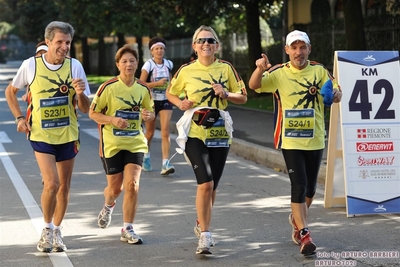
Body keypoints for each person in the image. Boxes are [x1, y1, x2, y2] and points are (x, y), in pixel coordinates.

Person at [248, 30, 342, 256]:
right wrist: (260, 69)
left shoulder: (319, 70)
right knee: (298, 186)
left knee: (310, 189)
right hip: (290, 139)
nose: (298, 52)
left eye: (303, 48)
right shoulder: (279, 72)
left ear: (309, 49)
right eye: (294, 48)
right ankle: (305, 234)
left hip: (315, 138)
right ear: (287, 50)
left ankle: (296, 219)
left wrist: (335, 95)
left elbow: (337, 92)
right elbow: (254, 86)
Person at [5, 21, 91, 253]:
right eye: (60, 42)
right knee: (51, 183)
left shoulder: (75, 67)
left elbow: (85, 108)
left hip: (68, 134)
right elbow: (10, 91)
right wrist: (19, 119)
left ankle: (57, 231)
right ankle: (46, 229)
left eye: (68, 43)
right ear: (48, 42)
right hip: (41, 134)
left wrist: (81, 93)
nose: (64, 46)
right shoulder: (31, 65)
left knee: (64, 187)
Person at [166, 25, 247, 254]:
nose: (206, 44)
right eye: (201, 40)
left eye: (210, 40)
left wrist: (226, 94)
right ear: (194, 46)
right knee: (206, 182)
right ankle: (205, 234)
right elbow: (171, 93)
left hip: (220, 133)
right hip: (194, 132)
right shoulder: (186, 70)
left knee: (213, 186)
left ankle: (202, 223)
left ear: (217, 46)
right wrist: (180, 103)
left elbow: (243, 97)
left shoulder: (227, 68)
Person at [89, 44, 155, 245]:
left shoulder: (143, 89)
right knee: (115, 189)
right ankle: (108, 205)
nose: (129, 64)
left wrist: (148, 115)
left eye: (132, 61)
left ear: (137, 64)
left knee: (132, 185)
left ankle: (128, 228)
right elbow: (93, 113)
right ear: (118, 64)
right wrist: (112, 120)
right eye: (124, 61)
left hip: (135, 142)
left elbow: (150, 113)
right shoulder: (108, 87)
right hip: (112, 145)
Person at [139, 37, 175, 175]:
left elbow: (171, 81)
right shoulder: (148, 65)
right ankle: (146, 157)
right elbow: (141, 83)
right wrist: (156, 84)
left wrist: (172, 88)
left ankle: (165, 163)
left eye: (161, 48)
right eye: (156, 49)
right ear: (151, 51)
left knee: (165, 132)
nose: (159, 51)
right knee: (150, 133)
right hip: (151, 102)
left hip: (166, 100)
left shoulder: (168, 64)